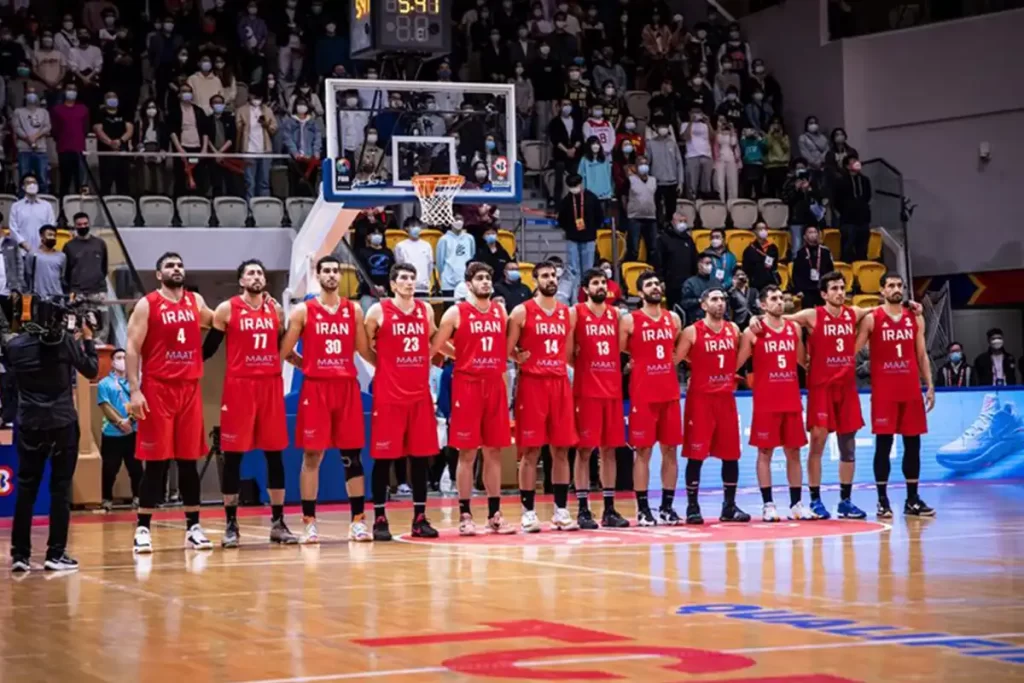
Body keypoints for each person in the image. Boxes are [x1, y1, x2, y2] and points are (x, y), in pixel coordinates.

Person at [279, 256, 376, 543]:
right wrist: (304, 363)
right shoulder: (302, 311)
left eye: (336, 271)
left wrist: (388, 365)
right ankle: (309, 521)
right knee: (312, 455)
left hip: (346, 387)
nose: (332, 275)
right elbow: (284, 350)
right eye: (327, 271)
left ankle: (357, 521)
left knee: (353, 456)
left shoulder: (353, 310)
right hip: (316, 389)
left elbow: (363, 350)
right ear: (318, 276)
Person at [203, 260, 297, 546]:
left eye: (260, 273)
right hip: (239, 386)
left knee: (274, 454)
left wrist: (310, 365)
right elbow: (208, 350)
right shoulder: (227, 309)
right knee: (233, 456)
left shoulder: (276, 310)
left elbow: (283, 349)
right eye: (251, 273)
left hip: (270, 385)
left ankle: (278, 522)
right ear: (241, 280)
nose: (256, 277)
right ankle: (231, 524)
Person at [126, 252, 215, 554]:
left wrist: (258, 304)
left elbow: (223, 323)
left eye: (179, 265)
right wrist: (134, 390)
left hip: (189, 389)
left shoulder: (195, 302)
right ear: (158, 274)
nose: (176, 269)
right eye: (169, 266)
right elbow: (133, 348)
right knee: (156, 463)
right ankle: (142, 529)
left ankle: (193, 527)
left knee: (189, 461)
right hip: (157, 388)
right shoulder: (147, 304)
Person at [7, 298, 98, 572]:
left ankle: (20, 555)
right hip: (62, 423)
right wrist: (88, 338)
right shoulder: (66, 343)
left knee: (26, 488)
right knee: (59, 488)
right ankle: (55, 553)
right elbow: (91, 368)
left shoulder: (15, 346)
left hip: (29, 423)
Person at [430, 262, 515, 535]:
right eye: (480, 278)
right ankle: (465, 514)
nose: (486, 282)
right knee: (467, 452)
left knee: (493, 451)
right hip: (467, 385)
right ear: (468, 284)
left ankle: (494, 514)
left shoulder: (500, 311)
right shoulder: (456, 312)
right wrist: (459, 355)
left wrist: (516, 359)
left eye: (488, 277)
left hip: (494, 384)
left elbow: (504, 347)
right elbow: (436, 344)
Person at [365, 264, 441, 540]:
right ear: (393, 284)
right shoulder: (377, 311)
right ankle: (380, 518)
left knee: (420, 458)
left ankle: (419, 518)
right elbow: (363, 345)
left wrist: (458, 353)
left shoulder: (425, 310)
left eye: (412, 277)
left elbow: (435, 339)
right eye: (404, 279)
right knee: (384, 458)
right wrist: (382, 365)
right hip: (389, 395)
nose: (409, 282)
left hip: (419, 395)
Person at [506, 260, 579, 532]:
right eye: (545, 276)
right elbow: (506, 349)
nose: (551, 279)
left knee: (561, 449)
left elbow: (569, 353)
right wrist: (518, 357)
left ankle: (560, 510)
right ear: (535, 280)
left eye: (554, 276)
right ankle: (528, 511)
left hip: (559, 383)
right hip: (532, 384)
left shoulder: (565, 313)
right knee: (530, 450)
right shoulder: (521, 312)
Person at [856, 272, 935, 518]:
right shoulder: (872, 319)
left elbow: (921, 355)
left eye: (899, 285)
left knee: (913, 445)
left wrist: (929, 385)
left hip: (911, 389)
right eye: (890, 285)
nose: (896, 289)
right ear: (882, 291)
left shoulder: (915, 318)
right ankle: (882, 500)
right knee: (884, 445)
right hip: (885, 392)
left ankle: (912, 499)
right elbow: (853, 349)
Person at [736, 286, 811, 522]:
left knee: (794, 452)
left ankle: (797, 503)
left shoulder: (795, 329)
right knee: (765, 452)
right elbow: (736, 362)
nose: (780, 302)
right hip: (766, 401)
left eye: (781, 298)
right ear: (763, 305)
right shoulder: (752, 332)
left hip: (791, 398)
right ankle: (768, 504)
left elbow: (803, 361)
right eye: (774, 299)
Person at [677, 288, 750, 524]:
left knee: (731, 455)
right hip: (701, 400)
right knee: (696, 455)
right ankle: (692, 506)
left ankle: (729, 506)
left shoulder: (734, 330)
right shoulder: (692, 331)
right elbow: (676, 359)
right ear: (704, 304)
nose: (720, 303)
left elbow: (738, 356)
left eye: (722, 299)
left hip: (726, 399)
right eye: (714, 299)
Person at [620, 271, 683, 526]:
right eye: (649, 284)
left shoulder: (674, 319)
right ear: (639, 292)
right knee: (643, 451)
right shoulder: (629, 320)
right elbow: (623, 348)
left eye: (657, 283)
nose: (655, 287)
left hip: (669, 392)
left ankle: (667, 506)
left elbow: (675, 348)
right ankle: (643, 508)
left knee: (671, 450)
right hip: (644, 393)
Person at [572, 269, 629, 529]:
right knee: (584, 450)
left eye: (603, 283)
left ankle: (609, 509)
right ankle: (583, 509)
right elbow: (566, 353)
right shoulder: (576, 312)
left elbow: (623, 347)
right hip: (587, 391)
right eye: (595, 282)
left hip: (612, 390)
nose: (600, 287)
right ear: (585, 288)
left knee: (610, 450)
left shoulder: (616, 315)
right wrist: (585, 366)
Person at [96, 347, 140, 512]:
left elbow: (139, 402)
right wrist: (120, 422)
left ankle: (138, 496)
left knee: (135, 468)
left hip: (133, 432)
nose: (123, 360)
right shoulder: (104, 383)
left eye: (125, 357)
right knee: (109, 469)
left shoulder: (135, 382)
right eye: (119, 358)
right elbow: (104, 404)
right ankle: (107, 498)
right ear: (113, 362)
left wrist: (130, 420)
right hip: (112, 434)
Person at [62, 213, 109, 343]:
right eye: (80, 225)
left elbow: (104, 267)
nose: (83, 226)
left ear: (89, 224)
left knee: (100, 327)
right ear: (75, 226)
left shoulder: (100, 243)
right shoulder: (69, 246)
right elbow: (66, 272)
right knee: (77, 326)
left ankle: (99, 356)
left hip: (98, 291)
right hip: (77, 293)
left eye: (85, 224)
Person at [558, 174, 601, 302]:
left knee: (588, 269)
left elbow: (599, 217)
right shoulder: (566, 201)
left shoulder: (592, 198)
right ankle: (575, 299)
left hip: (588, 238)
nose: (574, 188)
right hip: (572, 238)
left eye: (576, 185)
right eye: (571, 186)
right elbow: (561, 220)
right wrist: (570, 230)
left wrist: (592, 230)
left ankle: (588, 299)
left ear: (581, 184)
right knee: (573, 270)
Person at [656, 213, 698, 313]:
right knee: (674, 311)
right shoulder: (663, 239)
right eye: (680, 221)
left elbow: (694, 260)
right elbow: (658, 261)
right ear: (672, 222)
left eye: (685, 221)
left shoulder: (689, 239)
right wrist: (661, 279)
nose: (683, 224)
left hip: (688, 283)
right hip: (671, 283)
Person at [834, 154, 872, 263]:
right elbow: (837, 200)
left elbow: (868, 196)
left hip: (863, 219)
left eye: (857, 160)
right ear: (847, 166)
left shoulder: (865, 180)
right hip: (848, 220)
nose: (856, 163)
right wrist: (846, 210)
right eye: (852, 161)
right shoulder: (841, 181)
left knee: (863, 248)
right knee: (847, 247)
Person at [9, 174, 56, 253]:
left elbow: (51, 226)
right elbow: (13, 228)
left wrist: (44, 243)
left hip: (43, 251)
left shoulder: (47, 206)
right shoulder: (16, 206)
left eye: (34, 182)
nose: (32, 185)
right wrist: (23, 244)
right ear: (23, 187)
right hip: (22, 251)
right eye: (28, 183)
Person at [791, 226, 834, 307]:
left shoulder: (825, 252)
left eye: (815, 232)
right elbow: (796, 273)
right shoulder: (801, 253)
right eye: (810, 232)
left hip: (822, 289)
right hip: (806, 291)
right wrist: (798, 290)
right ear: (804, 237)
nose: (813, 235)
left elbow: (831, 271)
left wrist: (829, 288)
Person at [436, 217, 476, 297]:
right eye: (456, 219)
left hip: (465, 279)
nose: (458, 222)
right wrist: (444, 274)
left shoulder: (470, 238)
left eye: (460, 219)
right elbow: (440, 262)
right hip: (448, 280)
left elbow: (472, 256)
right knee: (449, 307)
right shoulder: (444, 239)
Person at [393, 218, 434, 294]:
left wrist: (425, 280)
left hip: (423, 288)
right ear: (406, 228)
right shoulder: (400, 246)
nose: (416, 228)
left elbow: (430, 266)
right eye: (413, 226)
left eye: (418, 226)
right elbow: (399, 266)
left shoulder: (426, 245)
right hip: (406, 287)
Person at [25, 225, 66, 298]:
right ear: (41, 236)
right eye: (50, 235)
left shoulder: (62, 256)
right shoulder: (32, 255)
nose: (52, 238)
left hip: (57, 297)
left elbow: (62, 277)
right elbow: (28, 276)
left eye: (54, 235)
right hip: (39, 297)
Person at [681, 252, 722, 323]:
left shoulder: (716, 282)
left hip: (716, 319)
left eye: (710, 263)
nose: (710, 266)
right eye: (707, 263)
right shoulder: (690, 283)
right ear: (699, 265)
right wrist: (699, 300)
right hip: (698, 320)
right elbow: (685, 303)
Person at [741, 222, 780, 293]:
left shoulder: (773, 248)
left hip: (771, 283)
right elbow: (746, 269)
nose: (763, 231)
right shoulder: (749, 250)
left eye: (765, 228)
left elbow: (775, 265)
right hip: (756, 285)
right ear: (754, 231)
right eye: (760, 229)